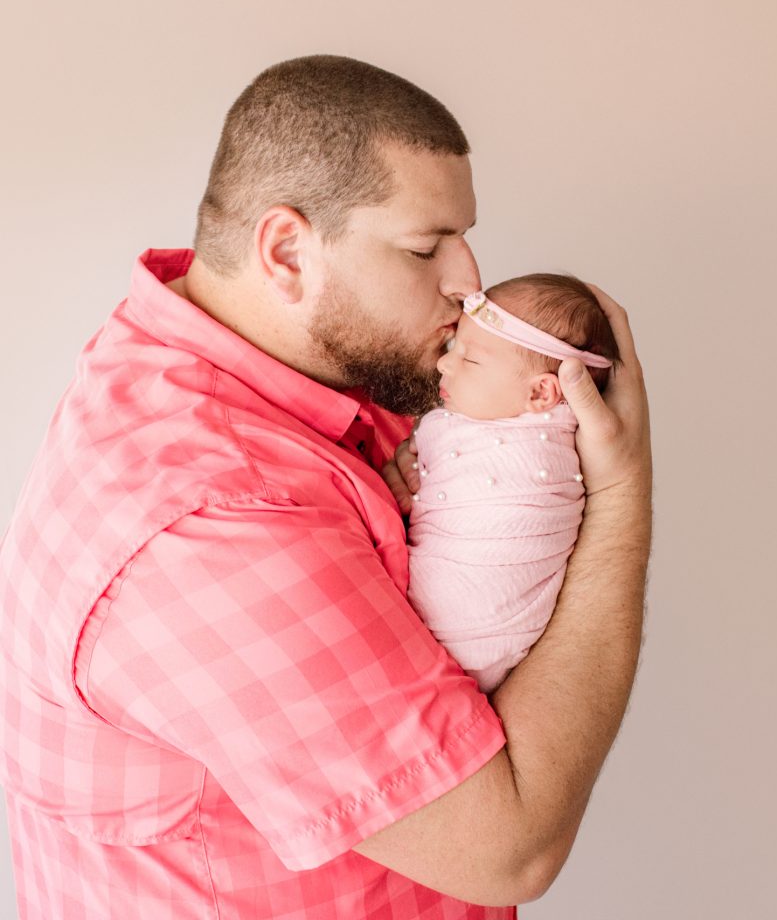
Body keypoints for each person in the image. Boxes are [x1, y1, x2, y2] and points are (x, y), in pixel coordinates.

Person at [0, 55, 652, 919]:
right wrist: (621, 495)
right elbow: (511, 849)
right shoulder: (211, 525)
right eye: (427, 247)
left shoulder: (273, 366)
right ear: (285, 251)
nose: (468, 280)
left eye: (463, 238)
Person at [407, 274, 619, 693]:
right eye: (454, 349)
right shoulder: (486, 421)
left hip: (458, 624)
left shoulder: (551, 451)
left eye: (469, 360)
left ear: (541, 394)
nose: (444, 363)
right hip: (490, 663)